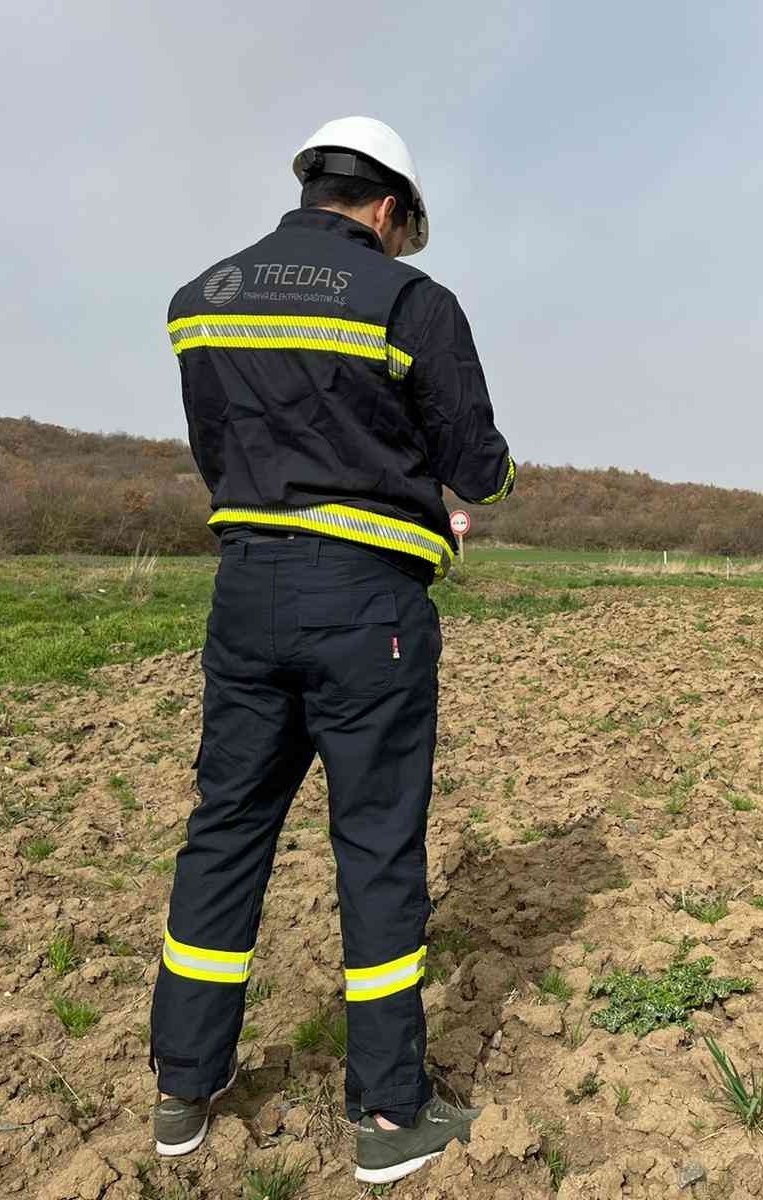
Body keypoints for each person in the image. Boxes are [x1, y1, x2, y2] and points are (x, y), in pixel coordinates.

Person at [149, 116, 514, 1185]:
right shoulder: (410, 302)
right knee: (377, 846)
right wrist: (467, 484)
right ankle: (391, 1115)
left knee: (225, 831)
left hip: (245, 592)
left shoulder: (202, 298)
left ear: (313, 188)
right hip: (368, 610)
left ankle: (183, 1089)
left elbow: (217, 447)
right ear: (390, 209)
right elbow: (478, 469)